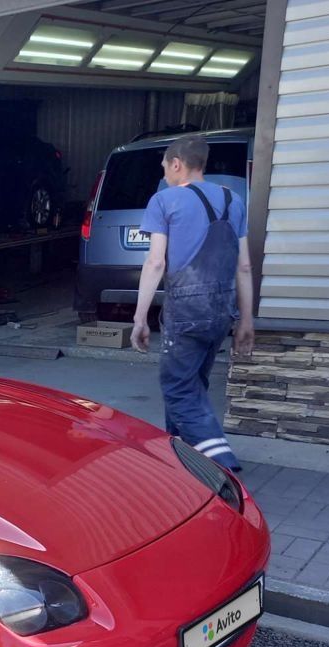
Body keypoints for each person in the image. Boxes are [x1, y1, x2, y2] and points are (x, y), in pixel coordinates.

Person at [131, 134, 255, 471]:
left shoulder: (165, 200)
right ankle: (182, 462)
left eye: (164, 166)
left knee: (179, 389)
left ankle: (221, 462)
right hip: (222, 310)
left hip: (186, 309)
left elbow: (155, 263)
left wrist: (140, 318)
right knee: (191, 383)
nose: (164, 173)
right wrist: (246, 321)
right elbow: (244, 266)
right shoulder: (234, 201)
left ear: (176, 164)